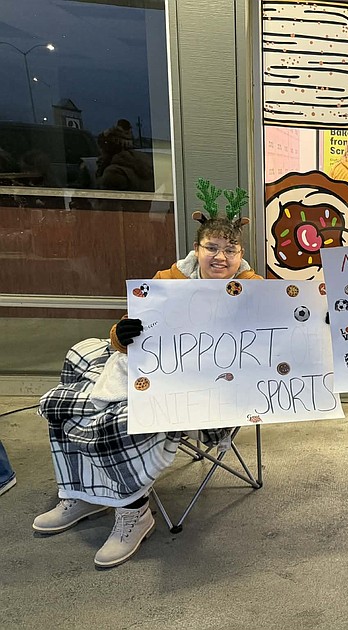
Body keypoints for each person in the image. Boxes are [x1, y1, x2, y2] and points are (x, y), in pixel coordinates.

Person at [35, 184, 261, 569]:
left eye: (230, 250)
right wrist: (120, 337)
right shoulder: (167, 280)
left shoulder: (257, 291)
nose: (220, 257)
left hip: (210, 388)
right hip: (154, 373)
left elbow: (283, 337)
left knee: (121, 420)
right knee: (71, 387)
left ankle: (133, 508)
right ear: (197, 249)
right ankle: (84, 491)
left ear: (240, 254)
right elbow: (128, 329)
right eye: (211, 248)